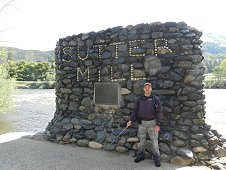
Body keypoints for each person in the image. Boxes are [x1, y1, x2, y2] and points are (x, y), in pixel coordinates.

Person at [127, 82, 162, 167]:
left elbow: (159, 112)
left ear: (151, 89)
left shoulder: (155, 99)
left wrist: (157, 124)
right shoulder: (139, 99)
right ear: (143, 89)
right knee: (141, 140)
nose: (147, 88)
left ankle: (156, 158)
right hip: (141, 123)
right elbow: (135, 111)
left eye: (149, 87)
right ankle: (140, 155)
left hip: (152, 123)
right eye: (145, 87)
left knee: (154, 141)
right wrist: (130, 120)